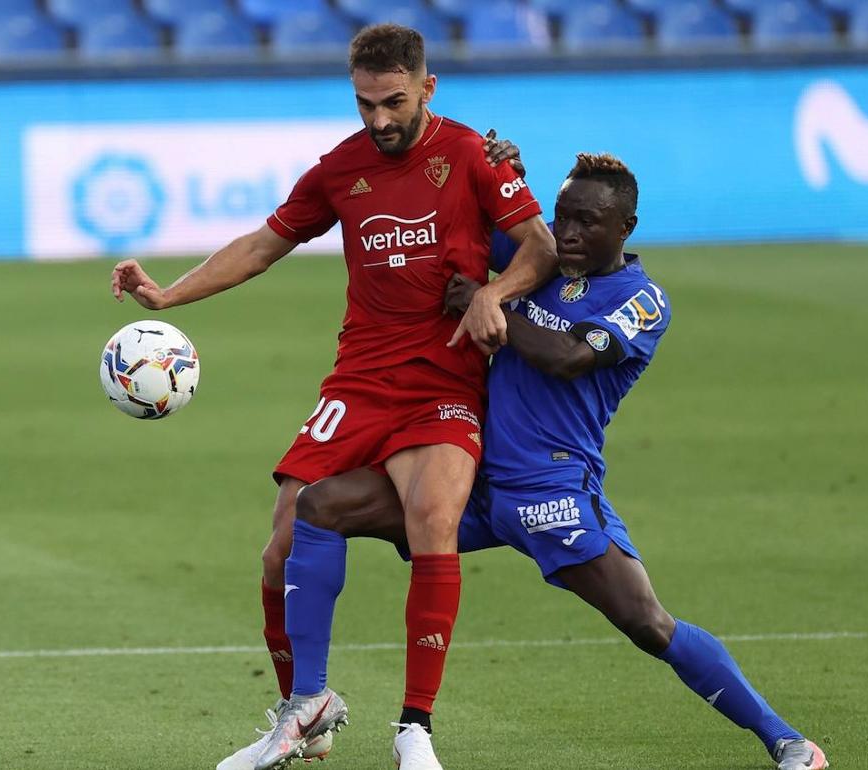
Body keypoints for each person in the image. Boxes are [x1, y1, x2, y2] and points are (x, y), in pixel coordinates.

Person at [109, 24, 557, 770]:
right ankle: (302, 712)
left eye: (393, 102)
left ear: (427, 88)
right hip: (359, 381)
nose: (379, 120)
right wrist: (168, 295)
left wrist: (494, 293)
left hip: (441, 382)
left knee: (431, 517)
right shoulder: (341, 169)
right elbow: (262, 245)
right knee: (279, 545)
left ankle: (416, 729)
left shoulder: (473, 154)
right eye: (363, 104)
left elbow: (539, 246)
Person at [291, 152, 830, 770]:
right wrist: (493, 172)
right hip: (474, 479)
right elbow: (464, 224)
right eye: (563, 217)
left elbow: (571, 357)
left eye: (589, 223)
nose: (569, 233)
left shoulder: (642, 298)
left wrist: (483, 303)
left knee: (648, 623)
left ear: (626, 226)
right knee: (323, 504)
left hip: (551, 491)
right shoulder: (540, 263)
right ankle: (309, 704)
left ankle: (788, 741)